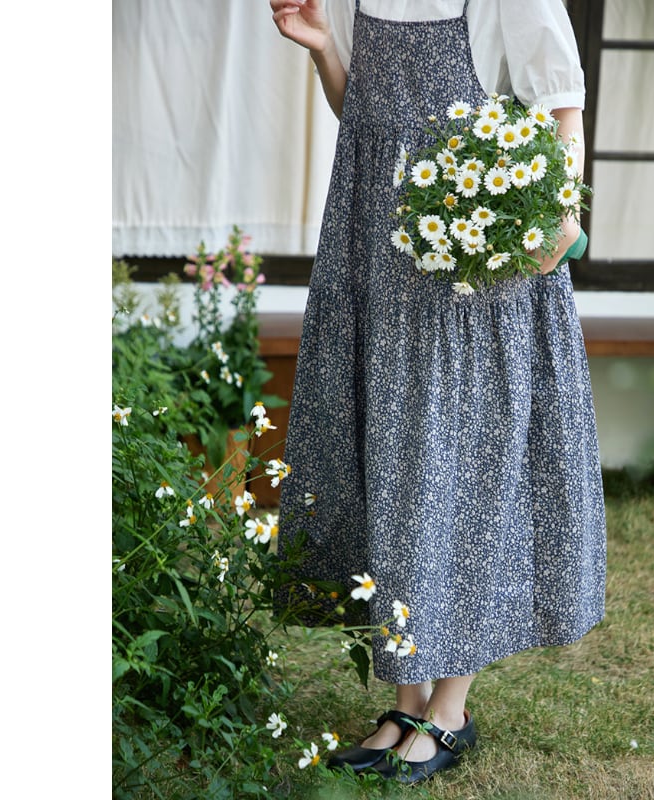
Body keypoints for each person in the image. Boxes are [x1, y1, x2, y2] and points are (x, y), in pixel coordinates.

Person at [269, 0, 606, 784]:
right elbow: (367, 118)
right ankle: (406, 700)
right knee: (396, 466)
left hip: (472, 268)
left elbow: (563, 104)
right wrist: (323, 49)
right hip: (377, 255)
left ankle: (450, 708)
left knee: (462, 468)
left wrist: (558, 212)